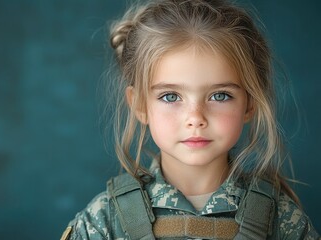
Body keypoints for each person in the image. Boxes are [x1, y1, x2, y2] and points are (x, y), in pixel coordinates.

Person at [62, 0, 320, 239]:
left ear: (250, 103)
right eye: (171, 96)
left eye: (220, 95)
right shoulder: (104, 221)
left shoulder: (281, 220)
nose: (195, 118)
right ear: (140, 104)